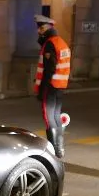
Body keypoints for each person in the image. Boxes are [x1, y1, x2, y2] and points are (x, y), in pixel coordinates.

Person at [33, 14, 71, 158]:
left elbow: (49, 69)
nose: (39, 31)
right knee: (55, 116)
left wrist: (42, 89)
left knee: (49, 118)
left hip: (50, 86)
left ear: (49, 28)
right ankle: (59, 149)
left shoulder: (50, 44)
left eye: (41, 28)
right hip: (60, 86)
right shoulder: (61, 42)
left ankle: (54, 150)